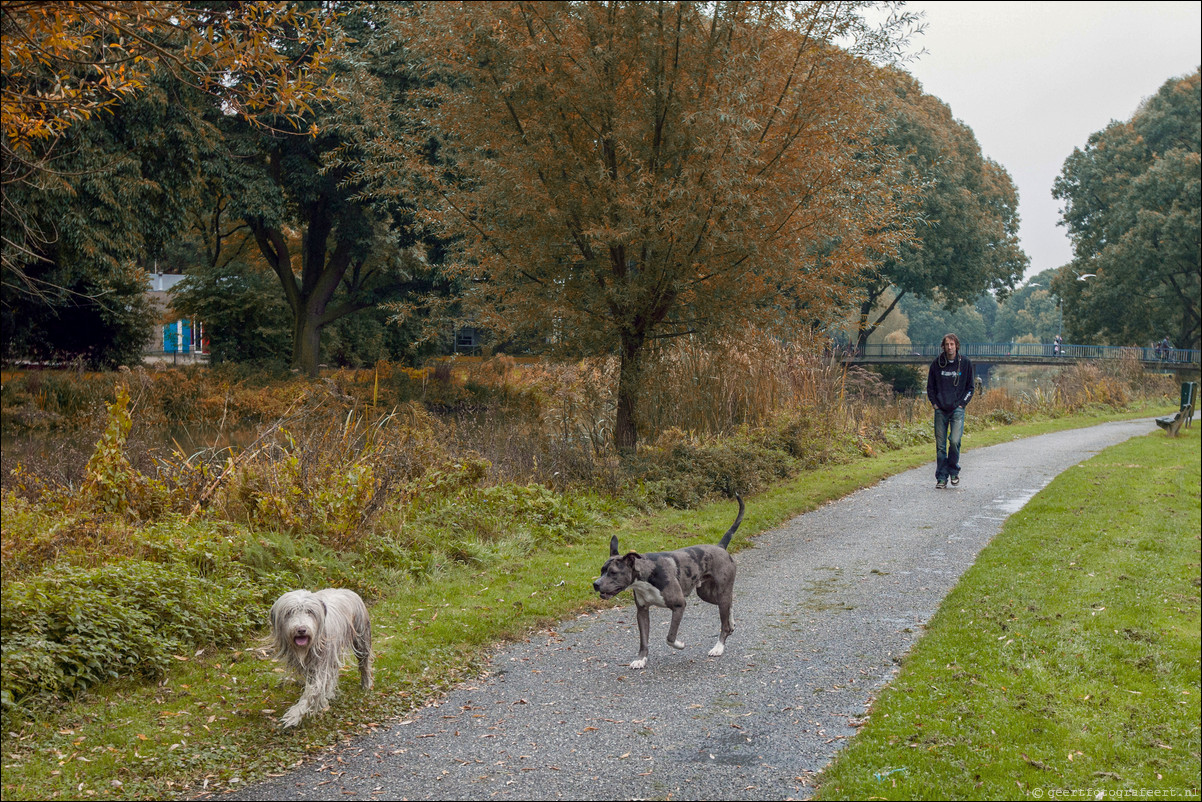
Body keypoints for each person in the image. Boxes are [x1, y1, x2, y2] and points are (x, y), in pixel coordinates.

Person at [926, 333, 974, 489]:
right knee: (940, 446)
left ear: (957, 345)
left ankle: (954, 470)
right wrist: (934, 404)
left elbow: (970, 388)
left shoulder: (965, 363)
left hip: (957, 410)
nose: (949, 347)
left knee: (954, 441)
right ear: (943, 346)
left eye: (952, 344)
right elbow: (930, 387)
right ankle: (941, 478)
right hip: (940, 410)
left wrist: (962, 404)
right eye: (947, 344)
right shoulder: (936, 364)